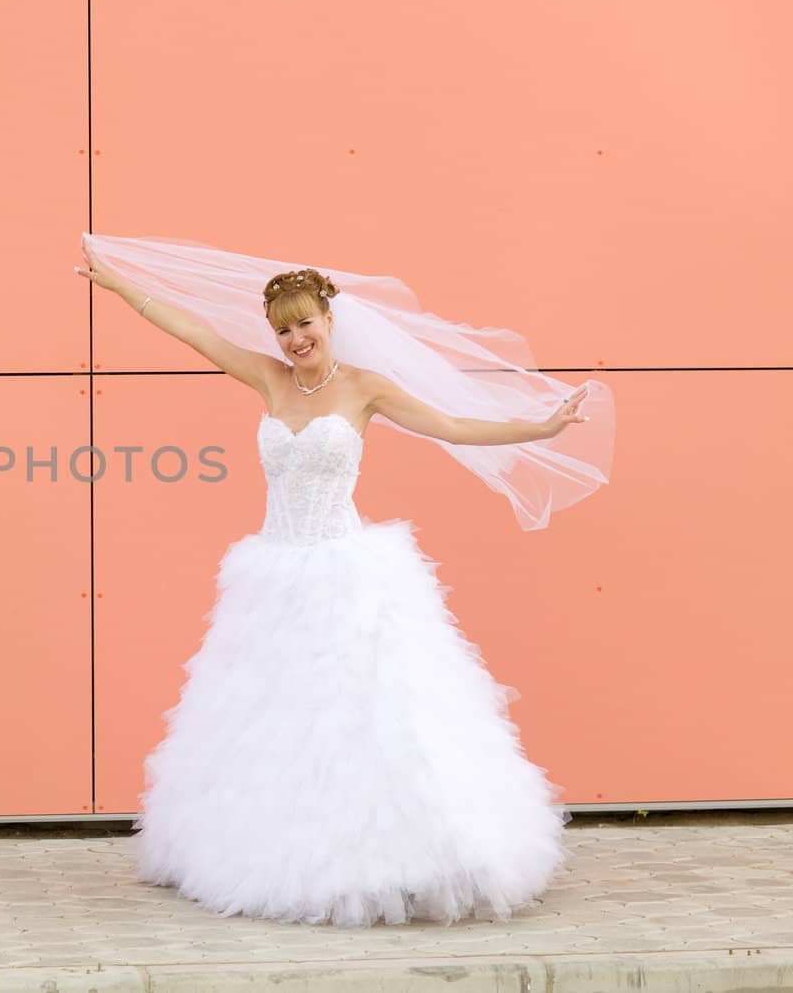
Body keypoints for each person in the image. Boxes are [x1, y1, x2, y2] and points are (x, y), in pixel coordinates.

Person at [75, 243, 592, 927]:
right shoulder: (269, 379)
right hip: (275, 574)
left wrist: (541, 426)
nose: (295, 340)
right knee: (269, 717)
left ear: (328, 318)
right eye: (283, 329)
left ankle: (399, 859)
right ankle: (267, 851)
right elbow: (196, 333)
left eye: (305, 324)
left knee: (366, 717)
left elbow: (455, 425)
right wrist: (119, 288)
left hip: (346, 573)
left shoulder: (365, 388)